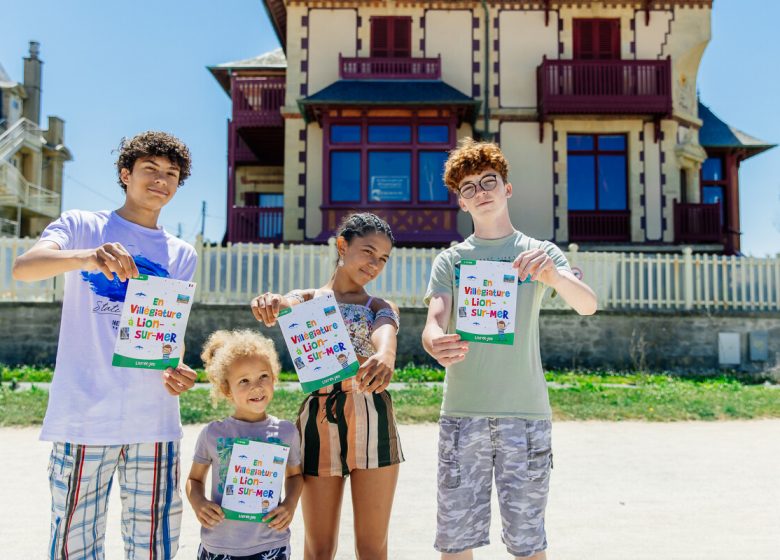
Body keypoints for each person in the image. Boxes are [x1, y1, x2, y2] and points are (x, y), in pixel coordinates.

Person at [12, 131, 199, 559]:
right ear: (125, 173)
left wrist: (179, 368)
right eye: (150, 169)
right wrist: (88, 257)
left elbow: (171, 332)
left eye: (171, 174)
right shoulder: (82, 225)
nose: (161, 181)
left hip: (154, 420)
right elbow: (24, 268)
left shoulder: (181, 252)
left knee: (155, 547)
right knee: (74, 546)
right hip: (84, 417)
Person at [421, 138, 597, 560]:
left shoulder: (540, 254)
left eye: (488, 182)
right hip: (463, 414)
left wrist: (554, 276)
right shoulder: (451, 260)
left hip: (526, 414)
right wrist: (434, 343)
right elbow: (433, 322)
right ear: (461, 203)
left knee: (527, 544)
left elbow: (587, 305)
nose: (480, 192)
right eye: (468, 188)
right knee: (456, 542)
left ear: (507, 188)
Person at [251, 212, 404, 560]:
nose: (375, 263)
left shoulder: (377, 305)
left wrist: (385, 354)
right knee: (318, 548)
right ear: (342, 245)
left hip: (373, 417)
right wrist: (270, 301)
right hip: (318, 419)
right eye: (368, 251)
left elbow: (386, 333)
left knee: (372, 547)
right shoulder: (305, 301)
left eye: (383, 258)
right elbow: (282, 305)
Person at [187, 330, 303, 560]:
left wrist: (290, 504)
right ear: (227, 390)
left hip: (271, 543)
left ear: (274, 377)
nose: (256, 387)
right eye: (244, 381)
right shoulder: (213, 434)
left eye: (263, 376)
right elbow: (194, 479)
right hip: (219, 545)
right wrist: (198, 502)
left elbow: (294, 476)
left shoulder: (287, 432)